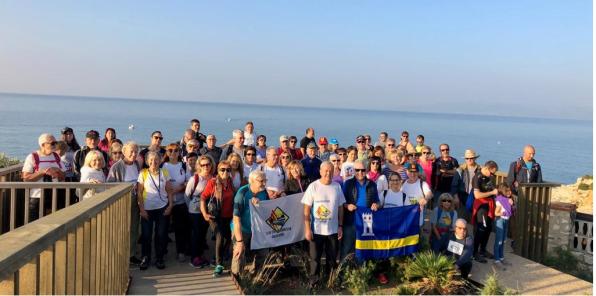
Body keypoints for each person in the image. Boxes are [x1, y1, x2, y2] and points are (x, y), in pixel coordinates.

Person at [302, 161, 345, 288]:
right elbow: (306, 209)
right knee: (315, 259)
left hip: (332, 230)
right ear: (320, 172)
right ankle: (314, 282)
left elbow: (341, 207)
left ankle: (330, 280)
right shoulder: (313, 186)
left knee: (332, 259)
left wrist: (340, 226)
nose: (328, 173)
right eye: (325, 170)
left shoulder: (337, 186)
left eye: (331, 171)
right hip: (316, 230)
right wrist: (307, 229)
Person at [107, 141, 142, 264]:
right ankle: (120, 255)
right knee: (122, 228)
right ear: (124, 152)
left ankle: (131, 254)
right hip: (123, 200)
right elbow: (109, 185)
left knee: (134, 228)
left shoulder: (137, 164)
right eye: (131, 151)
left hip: (135, 200)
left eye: (135, 151)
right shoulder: (117, 167)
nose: (133, 154)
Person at [137, 151, 174, 270]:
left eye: (156, 159)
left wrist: (170, 206)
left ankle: (159, 258)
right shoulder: (143, 173)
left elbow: (169, 190)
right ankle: (145, 257)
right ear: (147, 161)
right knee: (146, 235)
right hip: (147, 209)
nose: (154, 162)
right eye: (151, 160)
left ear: (160, 160)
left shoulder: (164, 172)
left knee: (161, 234)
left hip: (162, 208)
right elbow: (139, 193)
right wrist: (142, 210)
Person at [201, 161, 236, 276]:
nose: (225, 172)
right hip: (215, 216)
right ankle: (218, 264)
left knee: (229, 238)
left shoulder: (230, 182)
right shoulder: (213, 183)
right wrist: (204, 213)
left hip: (228, 215)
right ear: (218, 171)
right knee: (220, 237)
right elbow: (203, 197)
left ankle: (221, 255)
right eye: (223, 169)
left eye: (228, 170)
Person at [231, 170, 269, 276]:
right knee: (239, 254)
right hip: (242, 228)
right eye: (261, 181)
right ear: (251, 181)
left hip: (258, 229)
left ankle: (256, 276)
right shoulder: (242, 193)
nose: (264, 183)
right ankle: (236, 277)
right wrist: (239, 241)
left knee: (263, 252)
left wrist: (260, 205)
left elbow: (268, 211)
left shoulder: (264, 192)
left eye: (265, 180)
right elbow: (236, 219)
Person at [341, 161, 379, 260]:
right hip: (350, 220)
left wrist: (376, 205)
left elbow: (378, 202)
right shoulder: (348, 184)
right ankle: (343, 272)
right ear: (353, 171)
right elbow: (341, 202)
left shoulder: (372, 184)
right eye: (357, 170)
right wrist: (347, 206)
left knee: (364, 247)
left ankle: (361, 272)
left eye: (362, 170)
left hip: (366, 222)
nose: (360, 172)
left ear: (366, 171)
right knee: (347, 248)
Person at [22, 133, 66, 221]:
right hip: (37, 197)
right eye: (52, 143)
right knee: (35, 224)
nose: (55, 145)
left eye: (55, 143)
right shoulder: (33, 157)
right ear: (43, 145)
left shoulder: (56, 156)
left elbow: (63, 177)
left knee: (53, 223)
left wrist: (57, 170)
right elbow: (26, 178)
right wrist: (43, 172)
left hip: (55, 195)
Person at [162, 143, 191, 263]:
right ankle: (161, 253)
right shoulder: (163, 166)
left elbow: (187, 182)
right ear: (167, 152)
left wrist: (177, 190)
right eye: (170, 150)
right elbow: (161, 183)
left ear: (179, 152)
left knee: (180, 228)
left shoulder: (183, 165)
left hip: (180, 202)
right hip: (165, 202)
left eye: (176, 151)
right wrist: (170, 194)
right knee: (162, 229)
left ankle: (181, 252)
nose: (173, 153)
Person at [185, 155, 214, 268]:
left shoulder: (213, 178)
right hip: (195, 210)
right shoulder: (195, 179)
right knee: (196, 233)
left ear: (211, 165)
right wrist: (190, 208)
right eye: (203, 165)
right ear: (199, 166)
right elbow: (187, 195)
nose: (206, 167)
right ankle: (194, 257)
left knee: (203, 233)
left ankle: (200, 255)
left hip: (208, 209)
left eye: (208, 164)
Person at [472, 160, 499, 263]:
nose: (493, 175)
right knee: (481, 229)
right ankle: (475, 252)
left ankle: (483, 250)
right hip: (481, 205)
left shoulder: (489, 177)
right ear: (487, 169)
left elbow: (492, 189)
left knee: (488, 228)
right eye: (492, 172)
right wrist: (492, 192)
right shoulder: (477, 177)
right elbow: (477, 195)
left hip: (489, 205)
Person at [454, 149, 481, 220]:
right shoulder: (460, 170)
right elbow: (454, 185)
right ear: (465, 159)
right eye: (467, 158)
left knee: (473, 220)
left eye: (471, 158)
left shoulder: (480, 170)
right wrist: (456, 197)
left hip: (476, 197)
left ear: (475, 158)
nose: (469, 160)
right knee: (461, 218)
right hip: (462, 197)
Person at [494, 183, 514, 267]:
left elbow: (511, 210)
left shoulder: (507, 199)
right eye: (507, 191)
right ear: (503, 191)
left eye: (510, 190)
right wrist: (504, 212)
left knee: (503, 240)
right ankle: (497, 260)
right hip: (500, 220)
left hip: (505, 221)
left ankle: (501, 258)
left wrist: (511, 204)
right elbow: (496, 213)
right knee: (498, 241)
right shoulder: (500, 200)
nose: (509, 192)